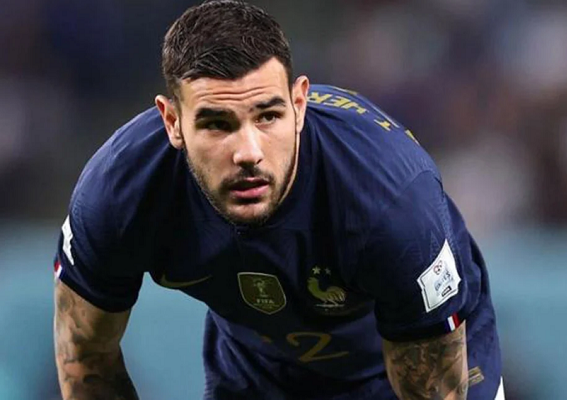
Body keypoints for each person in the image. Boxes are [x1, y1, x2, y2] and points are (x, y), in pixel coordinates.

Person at [52, 1, 504, 399]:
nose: (248, 153)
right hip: (258, 369)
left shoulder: (391, 205)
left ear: (299, 104)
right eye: (217, 124)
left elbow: (433, 390)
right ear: (172, 122)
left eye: (268, 116)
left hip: (407, 364)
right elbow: (87, 362)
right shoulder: (119, 193)